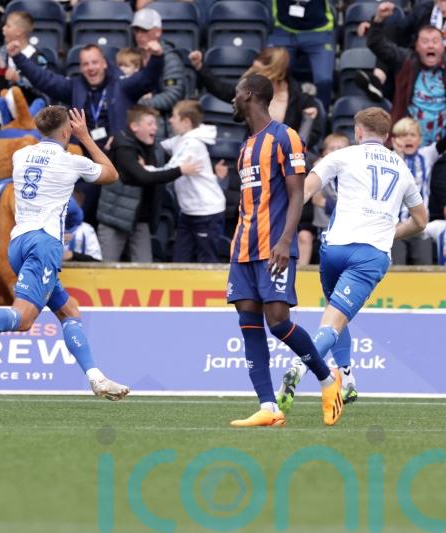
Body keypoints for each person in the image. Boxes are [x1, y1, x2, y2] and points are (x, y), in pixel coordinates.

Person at [0, 106, 130, 401]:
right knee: (24, 319)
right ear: (67, 131)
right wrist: (86, 138)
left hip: (19, 242)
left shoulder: (20, 155)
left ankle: (96, 378)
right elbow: (112, 174)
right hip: (45, 243)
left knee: (69, 311)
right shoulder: (71, 161)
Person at [278, 108, 428, 410]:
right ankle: (300, 368)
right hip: (370, 254)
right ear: (387, 136)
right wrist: (391, 234)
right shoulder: (401, 167)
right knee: (333, 323)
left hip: (334, 249)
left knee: (335, 312)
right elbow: (421, 221)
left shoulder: (343, 155)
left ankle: (346, 379)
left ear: (358, 132)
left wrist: (284, 226)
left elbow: (307, 188)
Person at [227, 74, 342, 428]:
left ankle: (327, 381)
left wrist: (285, 240)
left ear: (248, 95)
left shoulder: (284, 136)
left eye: (235, 94)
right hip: (243, 249)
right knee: (248, 320)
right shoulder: (246, 146)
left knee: (277, 322)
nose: (231, 100)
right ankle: (268, 406)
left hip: (274, 246)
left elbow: (297, 193)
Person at [10, 40, 164, 225]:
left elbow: (147, 78)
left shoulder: (121, 85)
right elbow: (44, 79)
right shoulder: (75, 86)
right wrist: (18, 57)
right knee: (81, 194)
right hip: (84, 154)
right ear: (80, 68)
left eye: (95, 62)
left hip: (117, 156)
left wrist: (156, 57)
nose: (91, 68)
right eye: (86, 64)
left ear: (105, 63)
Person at [96, 105, 199, 262]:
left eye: (156, 124)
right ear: (134, 126)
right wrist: (180, 171)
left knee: (145, 267)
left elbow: (177, 151)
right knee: (106, 267)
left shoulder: (155, 146)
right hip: (115, 219)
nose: (155, 128)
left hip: (140, 219)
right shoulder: (123, 146)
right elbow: (143, 176)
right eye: (150, 124)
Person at [188, 46, 321, 147]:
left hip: (286, 161)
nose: (254, 75)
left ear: (275, 72)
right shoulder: (251, 91)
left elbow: (312, 134)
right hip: (253, 155)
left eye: (259, 71)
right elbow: (222, 90)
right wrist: (200, 66)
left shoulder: (301, 99)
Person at [160, 100, 226, 263]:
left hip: (206, 213)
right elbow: (160, 144)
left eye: (174, 116)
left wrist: (143, 169)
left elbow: (170, 171)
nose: (170, 120)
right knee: (180, 260)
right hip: (188, 212)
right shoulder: (181, 139)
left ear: (186, 122)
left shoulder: (192, 144)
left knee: (207, 261)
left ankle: (211, 290)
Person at [368, 7, 446, 145]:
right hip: (408, 143)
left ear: (443, 46)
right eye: (425, 41)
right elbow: (376, 43)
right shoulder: (406, 60)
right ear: (416, 46)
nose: (430, 46)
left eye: (435, 41)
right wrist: (378, 19)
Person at [389, 117, 446, 264]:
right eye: (402, 135)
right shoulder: (389, 159)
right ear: (394, 139)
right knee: (396, 270)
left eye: (412, 135)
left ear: (420, 139)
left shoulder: (427, 155)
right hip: (395, 227)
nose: (408, 139)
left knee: (425, 267)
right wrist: (398, 154)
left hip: (420, 228)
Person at [267, 0, 335, 109]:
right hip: (283, 32)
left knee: (324, 80)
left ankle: (321, 116)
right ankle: (275, 116)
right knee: (273, 76)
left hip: (320, 33)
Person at [130, 7, 187, 138]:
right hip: (137, 121)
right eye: (136, 30)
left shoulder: (170, 58)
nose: (139, 35)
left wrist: (137, 102)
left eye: (144, 30)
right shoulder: (133, 55)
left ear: (158, 32)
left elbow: (173, 95)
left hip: (163, 124)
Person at [0, 11, 54, 104]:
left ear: (18, 31)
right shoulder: (0, 54)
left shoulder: (39, 59)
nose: (3, 29)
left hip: (30, 111)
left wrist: (19, 80)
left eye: (8, 26)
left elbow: (44, 90)